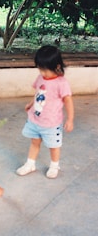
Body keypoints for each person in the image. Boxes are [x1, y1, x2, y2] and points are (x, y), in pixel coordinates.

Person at [16, 45, 74, 179]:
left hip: (51, 123)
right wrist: (31, 104)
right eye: (40, 69)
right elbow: (38, 93)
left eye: (45, 70)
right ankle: (30, 164)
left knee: (53, 146)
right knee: (34, 142)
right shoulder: (41, 78)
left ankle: (54, 166)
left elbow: (68, 101)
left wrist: (70, 119)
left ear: (57, 66)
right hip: (35, 119)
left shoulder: (61, 83)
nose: (42, 72)